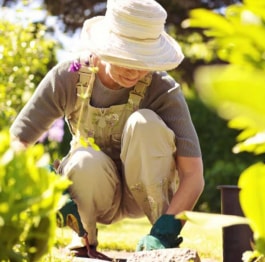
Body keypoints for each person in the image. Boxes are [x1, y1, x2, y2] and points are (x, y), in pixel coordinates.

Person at [10, 0, 204, 259]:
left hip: (146, 193)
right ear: (105, 47)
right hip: (90, 191)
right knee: (83, 158)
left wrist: (167, 229)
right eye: (126, 57)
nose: (134, 71)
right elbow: (16, 144)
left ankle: (159, 243)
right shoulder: (68, 77)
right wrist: (43, 180)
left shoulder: (163, 90)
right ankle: (83, 240)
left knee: (144, 123)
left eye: (143, 60)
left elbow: (193, 175)